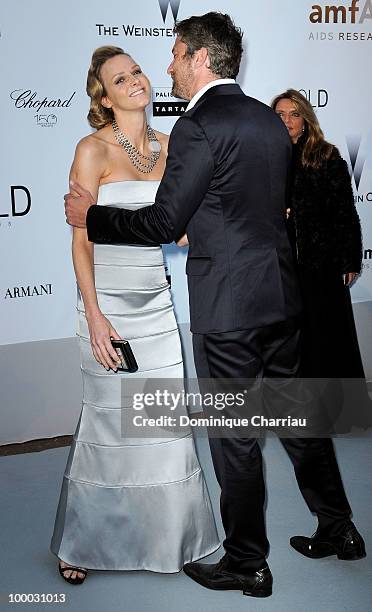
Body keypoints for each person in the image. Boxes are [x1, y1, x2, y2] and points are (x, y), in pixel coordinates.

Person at [65, 14, 366, 597]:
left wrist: (91, 216)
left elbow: (162, 221)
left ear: (201, 58)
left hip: (230, 309)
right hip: (281, 297)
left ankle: (248, 561)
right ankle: (340, 529)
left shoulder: (198, 127)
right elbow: (243, 211)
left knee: (235, 437)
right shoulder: (265, 120)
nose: (169, 67)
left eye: (176, 55)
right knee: (299, 422)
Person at [51, 45, 220, 585]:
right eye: (119, 78)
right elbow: (80, 243)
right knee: (108, 422)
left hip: (156, 300)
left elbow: (179, 226)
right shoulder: (92, 150)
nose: (135, 82)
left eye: (138, 71)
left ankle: (168, 538)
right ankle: (81, 543)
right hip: (109, 304)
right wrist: (95, 317)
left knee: (163, 423)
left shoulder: (172, 147)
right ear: (103, 95)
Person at [271, 89, 365, 379]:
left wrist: (350, 258)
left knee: (326, 334)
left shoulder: (325, 155)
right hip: (280, 263)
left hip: (320, 262)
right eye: (280, 115)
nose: (287, 120)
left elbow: (344, 212)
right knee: (289, 341)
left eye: (294, 114)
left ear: (305, 119)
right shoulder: (265, 156)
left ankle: (332, 410)